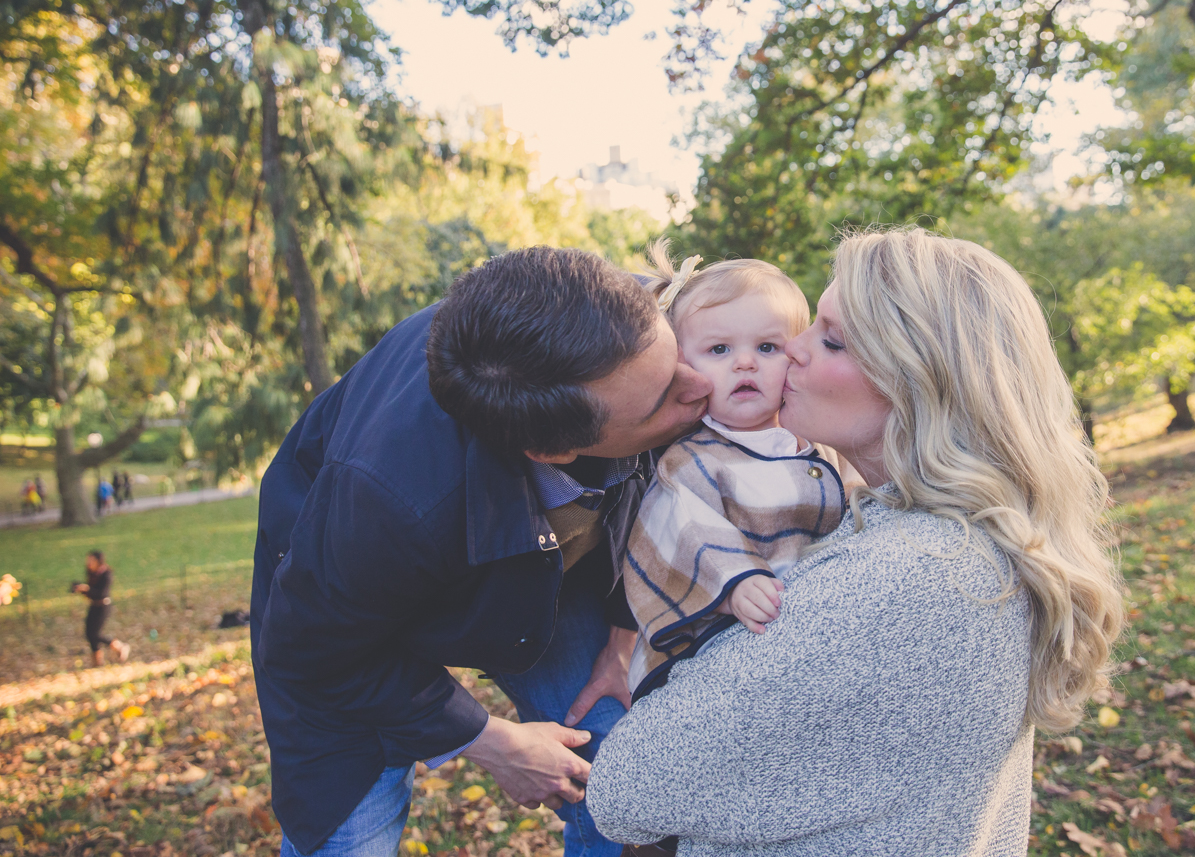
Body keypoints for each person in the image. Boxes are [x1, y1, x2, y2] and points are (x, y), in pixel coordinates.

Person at [588, 228, 1126, 857]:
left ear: (919, 381)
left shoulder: (907, 575)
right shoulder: (941, 537)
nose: (793, 350)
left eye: (831, 338)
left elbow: (625, 791)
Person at [252, 247, 712, 857]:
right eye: (662, 401)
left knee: (618, 767)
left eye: (676, 354)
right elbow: (311, 649)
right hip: (339, 619)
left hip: (553, 559)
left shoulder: (616, 314)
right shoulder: (388, 500)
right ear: (553, 450)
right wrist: (490, 740)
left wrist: (621, 638)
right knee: (347, 836)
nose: (702, 386)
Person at [624, 246, 849, 696]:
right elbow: (681, 527)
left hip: (809, 632)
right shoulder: (694, 460)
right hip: (725, 639)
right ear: (683, 364)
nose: (745, 363)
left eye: (767, 347)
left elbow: (858, 504)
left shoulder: (819, 443)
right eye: (719, 349)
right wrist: (733, 583)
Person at [73, 551, 130, 666]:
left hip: (103, 606)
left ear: (98, 561)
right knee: (89, 634)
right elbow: (92, 593)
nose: (89, 563)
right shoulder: (92, 573)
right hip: (93, 605)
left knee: (96, 634)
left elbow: (101, 593)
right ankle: (97, 661)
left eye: (91, 560)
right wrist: (81, 590)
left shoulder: (106, 574)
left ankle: (119, 646)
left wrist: (87, 589)